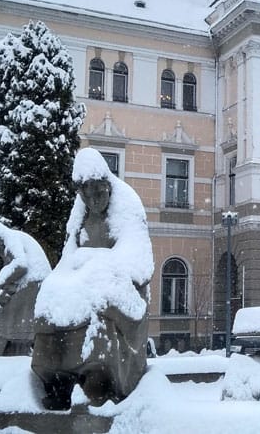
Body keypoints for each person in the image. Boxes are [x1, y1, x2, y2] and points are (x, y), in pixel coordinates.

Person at [31, 148, 154, 409]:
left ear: (108, 186)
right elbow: (67, 259)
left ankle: (100, 381)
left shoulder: (127, 207)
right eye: (87, 194)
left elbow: (139, 263)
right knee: (49, 303)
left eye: (99, 192)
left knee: (100, 302)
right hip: (84, 286)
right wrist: (64, 280)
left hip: (122, 293)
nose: (94, 199)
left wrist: (97, 265)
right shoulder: (79, 218)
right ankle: (58, 379)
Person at [0, 221, 50, 356]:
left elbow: (21, 265)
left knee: (6, 313)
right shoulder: (9, 243)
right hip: (32, 281)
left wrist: (1, 283)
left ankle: (4, 351)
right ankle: (17, 347)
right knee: (5, 308)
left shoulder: (10, 238)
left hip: (35, 280)